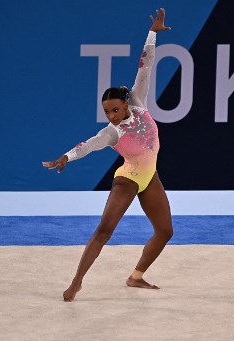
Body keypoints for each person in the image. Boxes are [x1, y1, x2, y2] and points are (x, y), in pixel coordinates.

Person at [42, 8, 172, 302]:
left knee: (165, 231)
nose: (111, 116)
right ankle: (76, 282)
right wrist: (67, 157)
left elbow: (145, 66)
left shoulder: (138, 103)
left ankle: (135, 277)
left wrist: (152, 33)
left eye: (115, 109)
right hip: (127, 180)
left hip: (149, 177)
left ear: (126, 103)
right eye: (106, 112)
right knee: (104, 231)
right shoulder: (113, 133)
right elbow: (89, 144)